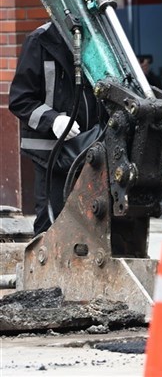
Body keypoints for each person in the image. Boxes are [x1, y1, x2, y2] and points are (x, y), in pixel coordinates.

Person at [9, 23, 104, 235]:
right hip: (52, 155)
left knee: (92, 226)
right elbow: (20, 100)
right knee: (52, 225)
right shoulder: (40, 41)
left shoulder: (97, 41)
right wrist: (53, 121)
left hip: (93, 150)